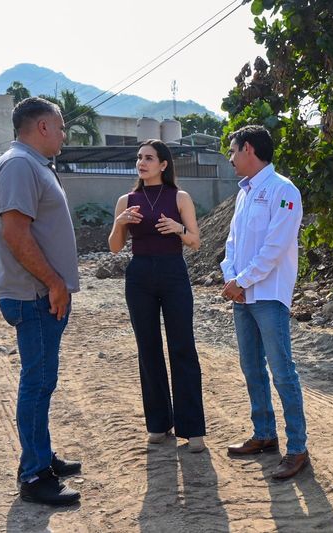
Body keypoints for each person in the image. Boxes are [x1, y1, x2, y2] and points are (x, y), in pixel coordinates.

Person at [0, 96, 81, 506]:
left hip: (41, 292)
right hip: (35, 295)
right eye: (60, 126)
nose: (63, 134)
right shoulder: (20, 165)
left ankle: (42, 457)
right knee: (37, 383)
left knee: (42, 382)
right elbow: (16, 233)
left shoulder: (31, 165)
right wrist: (53, 283)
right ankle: (34, 475)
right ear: (42, 127)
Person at [221, 125, 309, 480]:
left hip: (268, 296)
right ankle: (264, 435)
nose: (230, 159)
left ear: (249, 149)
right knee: (251, 368)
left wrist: (241, 281)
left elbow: (274, 248)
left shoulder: (283, 191)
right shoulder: (244, 194)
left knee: (282, 372)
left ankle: (297, 448)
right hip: (242, 296)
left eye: (233, 150)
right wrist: (232, 279)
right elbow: (231, 243)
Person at [108, 139, 206, 453]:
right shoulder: (126, 199)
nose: (142, 162)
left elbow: (195, 242)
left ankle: (192, 429)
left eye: (149, 158)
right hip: (138, 276)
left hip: (173, 272)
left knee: (182, 347)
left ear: (163, 164)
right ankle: (158, 424)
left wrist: (178, 228)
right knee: (147, 348)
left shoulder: (180, 197)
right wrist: (118, 224)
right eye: (139, 157)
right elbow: (114, 247)